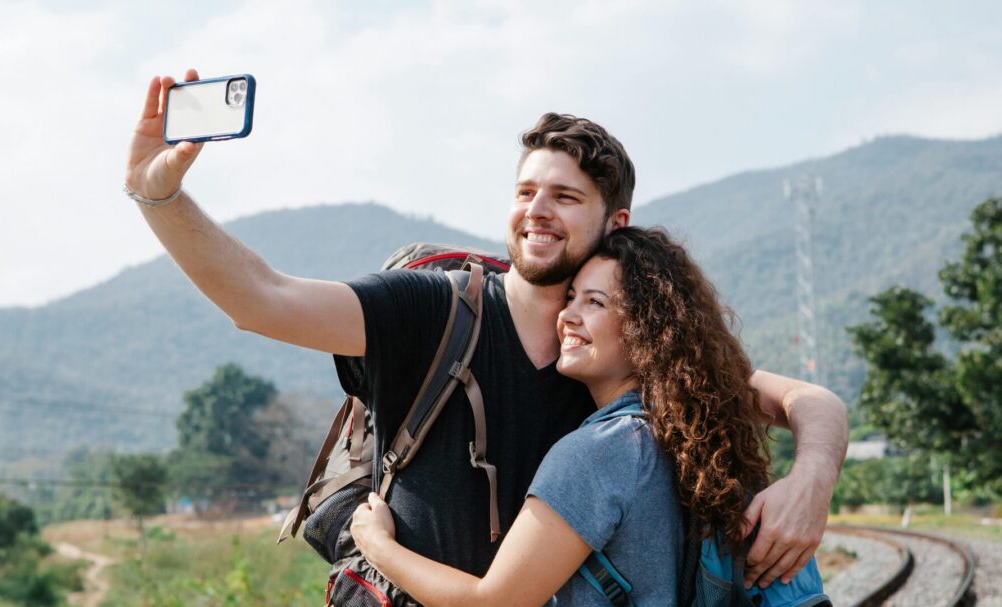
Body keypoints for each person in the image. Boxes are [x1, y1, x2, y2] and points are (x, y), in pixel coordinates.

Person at [124, 69, 848, 591]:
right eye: (526, 190)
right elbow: (262, 298)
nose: (538, 210)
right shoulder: (430, 311)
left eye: (565, 196)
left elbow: (811, 402)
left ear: (613, 224)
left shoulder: (618, 354)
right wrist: (158, 196)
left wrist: (810, 483)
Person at [350, 226, 831, 606]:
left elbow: (492, 602)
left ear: (648, 329)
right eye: (571, 297)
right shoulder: (700, 431)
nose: (568, 316)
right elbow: (812, 400)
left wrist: (378, 547)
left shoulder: (599, 453)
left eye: (594, 302)